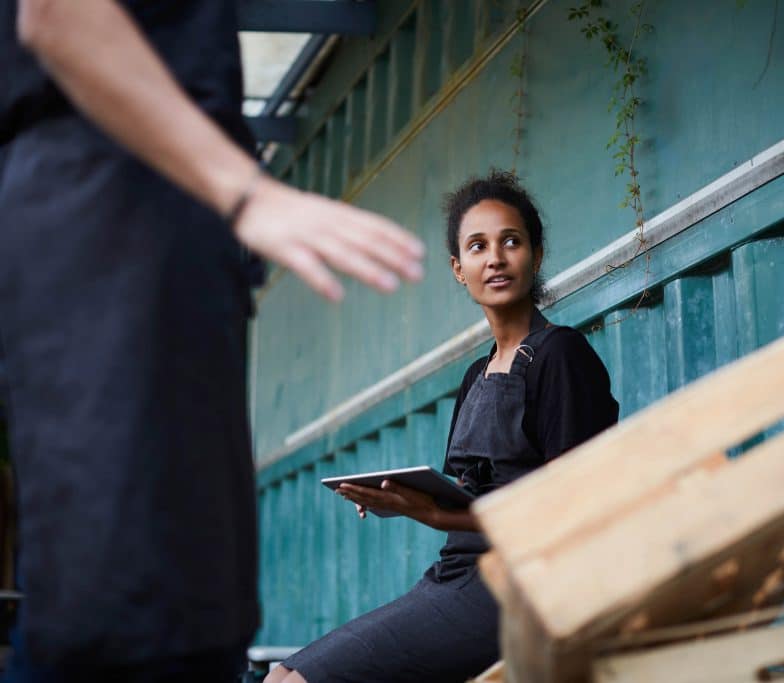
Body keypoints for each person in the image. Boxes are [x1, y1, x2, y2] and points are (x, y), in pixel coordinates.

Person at [0, 1, 424, 680]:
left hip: (156, 218)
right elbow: (58, 14)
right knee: (127, 615)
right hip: (112, 207)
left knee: (195, 613)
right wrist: (247, 193)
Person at [267, 171, 620, 683]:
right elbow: (473, 492)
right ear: (459, 268)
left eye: (511, 242)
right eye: (478, 246)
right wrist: (402, 495)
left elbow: (567, 513)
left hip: (521, 589)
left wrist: (438, 515)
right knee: (279, 675)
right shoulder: (477, 375)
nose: (495, 257)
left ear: (536, 256)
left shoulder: (560, 355)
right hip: (454, 576)